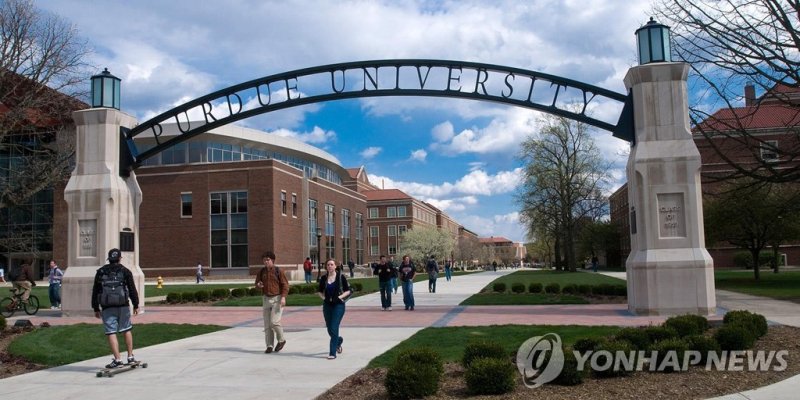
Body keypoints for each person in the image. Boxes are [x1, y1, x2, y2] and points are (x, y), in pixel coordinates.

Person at [91, 248, 140, 369]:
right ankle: (130, 357)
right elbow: (132, 289)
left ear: (109, 259)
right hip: (123, 305)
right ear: (119, 258)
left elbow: (96, 290)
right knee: (126, 329)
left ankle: (118, 360)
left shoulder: (101, 272)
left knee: (111, 332)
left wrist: (95, 307)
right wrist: (136, 304)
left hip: (107, 306)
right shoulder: (125, 271)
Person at [255, 251, 289, 354]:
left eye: (268, 259)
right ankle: (269, 345)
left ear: (272, 260)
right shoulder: (261, 272)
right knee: (267, 325)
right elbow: (256, 284)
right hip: (266, 299)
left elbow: (285, 285)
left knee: (274, 322)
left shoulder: (279, 271)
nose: (266, 261)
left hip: (277, 299)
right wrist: (258, 285)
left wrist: (283, 297)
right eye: (264, 259)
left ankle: (282, 340)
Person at [317, 259, 351, 360]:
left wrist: (339, 297)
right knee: (329, 327)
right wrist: (324, 298)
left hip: (338, 305)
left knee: (334, 326)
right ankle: (338, 341)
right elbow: (319, 291)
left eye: (332, 264)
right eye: (328, 265)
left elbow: (348, 291)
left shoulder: (341, 277)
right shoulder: (323, 278)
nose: (330, 266)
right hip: (327, 305)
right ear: (326, 267)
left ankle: (332, 353)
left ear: (335, 266)